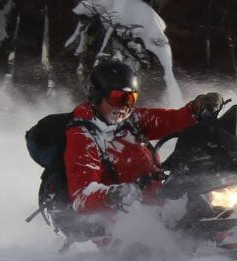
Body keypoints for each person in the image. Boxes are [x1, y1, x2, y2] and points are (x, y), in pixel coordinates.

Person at [65, 59, 223, 216]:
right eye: (117, 98)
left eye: (130, 99)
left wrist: (197, 109)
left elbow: (171, 121)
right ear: (97, 96)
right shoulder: (84, 137)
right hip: (119, 226)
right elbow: (81, 197)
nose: (124, 107)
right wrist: (112, 195)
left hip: (155, 211)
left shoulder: (131, 120)